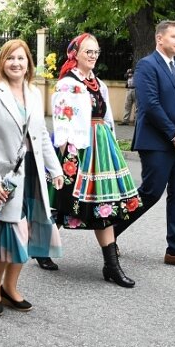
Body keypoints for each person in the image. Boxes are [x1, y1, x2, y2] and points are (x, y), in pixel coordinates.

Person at [0, 39, 64, 315]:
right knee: (9, 234)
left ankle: (10, 287)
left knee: (30, 230)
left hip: (32, 174)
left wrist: (55, 169)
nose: (16, 63)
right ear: (2, 62)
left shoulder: (34, 93)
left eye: (21, 59)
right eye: (10, 58)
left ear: (28, 64)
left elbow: (41, 136)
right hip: (5, 176)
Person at [50, 33, 140, 288]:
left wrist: (111, 142)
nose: (93, 56)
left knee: (104, 203)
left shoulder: (98, 83)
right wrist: (68, 149)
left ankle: (111, 265)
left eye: (96, 52)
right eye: (88, 51)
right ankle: (40, 246)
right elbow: (61, 117)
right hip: (77, 147)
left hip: (101, 146)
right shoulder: (68, 83)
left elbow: (108, 117)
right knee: (65, 200)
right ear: (75, 54)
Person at [114, 20, 175, 268]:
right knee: (151, 193)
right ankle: (110, 232)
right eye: (174, 36)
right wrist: (174, 135)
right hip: (157, 142)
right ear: (159, 39)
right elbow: (150, 106)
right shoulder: (147, 65)